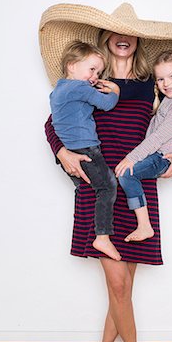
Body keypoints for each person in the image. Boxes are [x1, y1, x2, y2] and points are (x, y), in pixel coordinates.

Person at [40, 2, 172, 342]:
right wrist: (61, 150)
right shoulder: (87, 84)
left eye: (130, 32)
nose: (123, 37)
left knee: (123, 286)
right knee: (118, 282)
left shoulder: (150, 87)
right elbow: (53, 121)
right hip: (99, 184)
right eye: (115, 31)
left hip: (137, 188)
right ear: (106, 39)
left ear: (137, 41)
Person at [115, 50, 172, 243]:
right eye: (160, 79)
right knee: (126, 175)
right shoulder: (170, 100)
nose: (166, 83)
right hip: (154, 153)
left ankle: (144, 225)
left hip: (161, 157)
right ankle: (142, 223)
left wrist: (132, 157)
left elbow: (159, 137)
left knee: (127, 173)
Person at [50, 40, 121, 261]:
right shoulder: (80, 88)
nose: (95, 77)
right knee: (108, 186)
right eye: (92, 69)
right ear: (72, 65)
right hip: (86, 149)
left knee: (85, 191)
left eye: (98, 72)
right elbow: (107, 104)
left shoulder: (57, 91)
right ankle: (102, 237)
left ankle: (88, 233)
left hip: (68, 154)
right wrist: (116, 91)